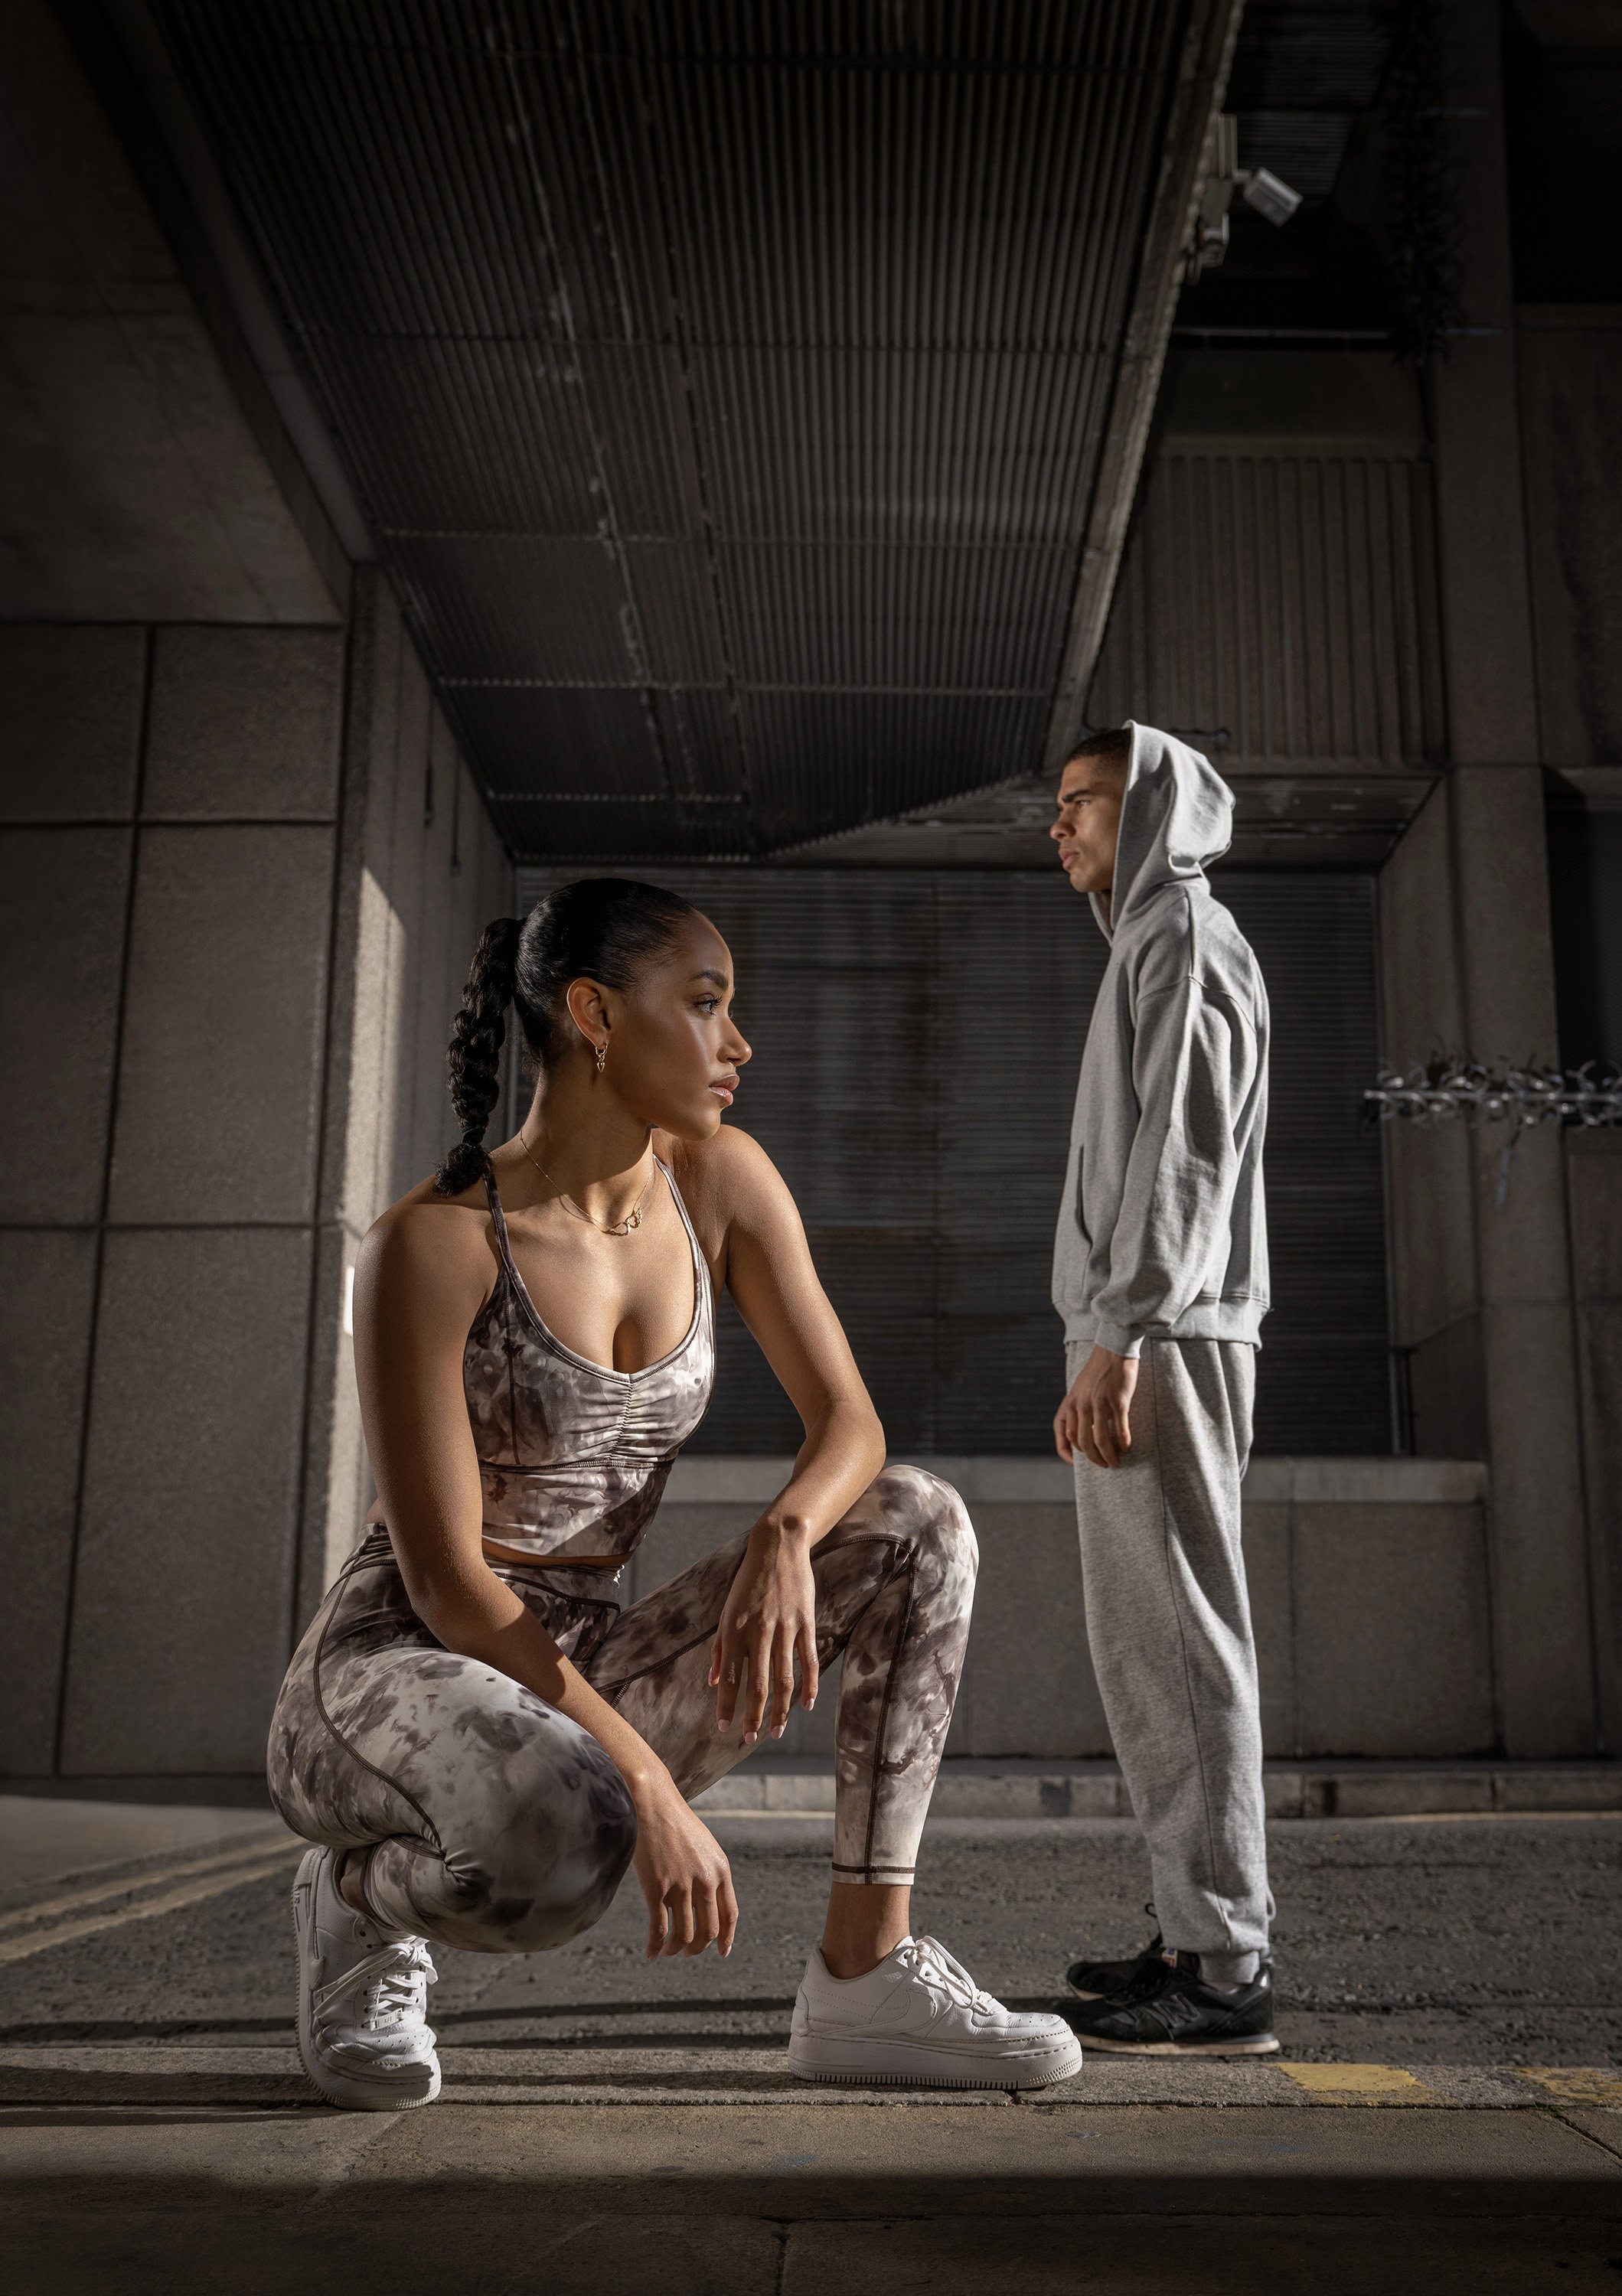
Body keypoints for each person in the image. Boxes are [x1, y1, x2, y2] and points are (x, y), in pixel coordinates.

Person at [270, 877, 1081, 2108]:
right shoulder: (430, 1243)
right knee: (566, 1835)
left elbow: (851, 1423)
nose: (739, 1042)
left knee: (919, 1521)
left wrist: (788, 1533)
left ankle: (864, 1978)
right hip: (395, 1665)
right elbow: (443, 1582)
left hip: (588, 1648)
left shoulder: (719, 1181)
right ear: (594, 1014)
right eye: (705, 1004)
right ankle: (353, 1906)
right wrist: (645, 1783)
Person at [1048, 724, 1278, 2056]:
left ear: (1148, 807)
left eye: (1081, 803)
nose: (1061, 828)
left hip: (1165, 1336)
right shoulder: (1148, 942)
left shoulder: (1183, 937)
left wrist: (1123, 1331)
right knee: (1151, 1647)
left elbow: (1183, 1155)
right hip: (1143, 1327)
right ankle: (1197, 1926)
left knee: (1182, 1642)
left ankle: (1231, 1967)